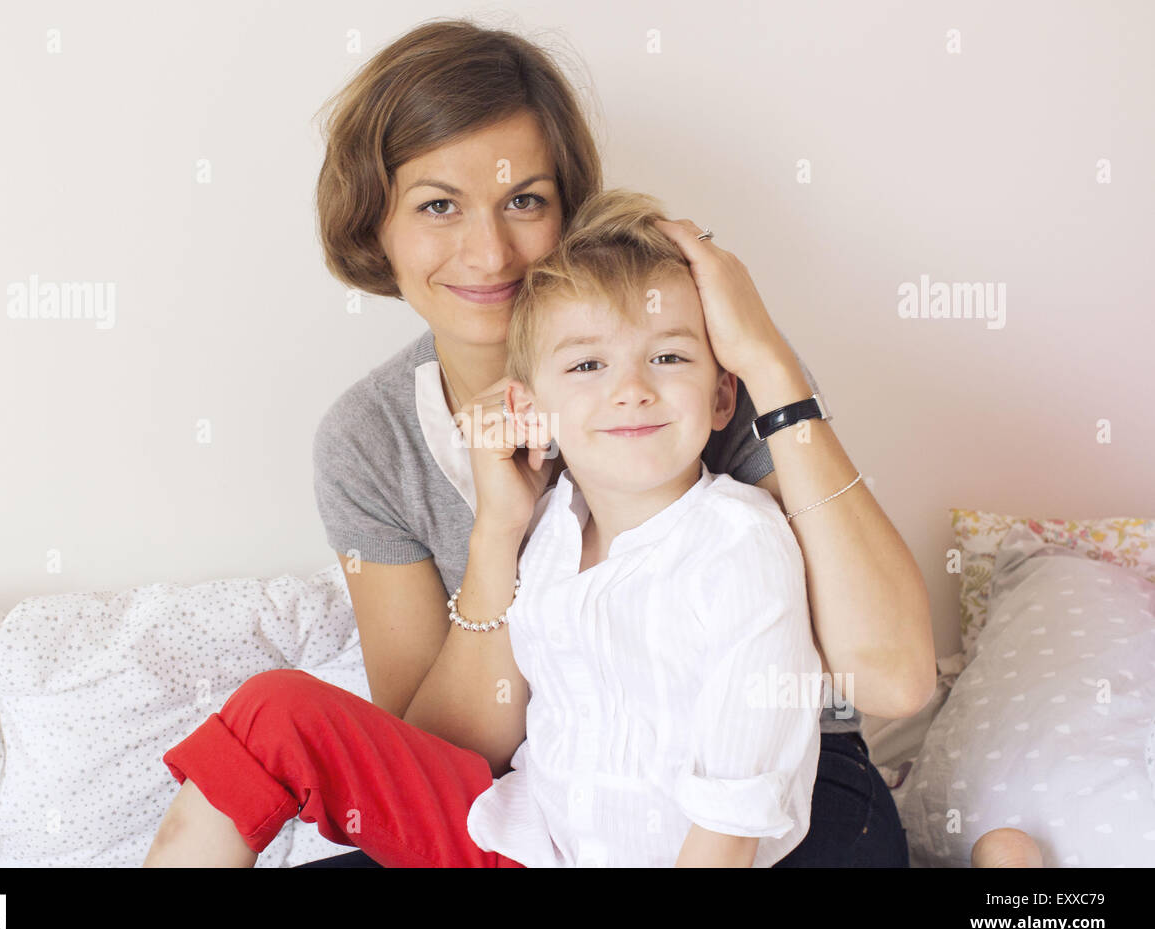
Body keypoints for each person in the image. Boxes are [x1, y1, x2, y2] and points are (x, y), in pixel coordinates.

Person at [145, 17, 934, 867]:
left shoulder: (696, 367)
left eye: (524, 199)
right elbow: (441, 757)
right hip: (561, 808)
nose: (488, 252)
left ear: (568, 210)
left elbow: (893, 680)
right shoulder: (368, 438)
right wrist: (497, 535)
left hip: (775, 803)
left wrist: (771, 363)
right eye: (438, 205)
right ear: (377, 225)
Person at [145, 188, 824, 867]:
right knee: (273, 709)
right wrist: (501, 525)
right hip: (527, 840)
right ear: (531, 406)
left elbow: (732, 819)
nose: (631, 389)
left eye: (668, 357)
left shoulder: (740, 546)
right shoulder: (556, 527)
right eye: (588, 365)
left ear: (722, 395)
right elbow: (467, 738)